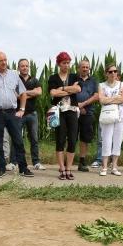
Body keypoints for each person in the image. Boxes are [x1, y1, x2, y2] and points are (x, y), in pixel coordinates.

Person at [48, 51, 81, 180]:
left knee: (72, 140)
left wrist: (61, 89)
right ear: (58, 64)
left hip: (72, 110)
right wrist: (68, 89)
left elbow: (78, 89)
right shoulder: (53, 78)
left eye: (68, 63)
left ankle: (69, 168)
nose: (66, 65)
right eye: (64, 63)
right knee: (60, 139)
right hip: (59, 111)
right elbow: (53, 93)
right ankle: (62, 168)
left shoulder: (74, 76)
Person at [96, 65, 123, 176]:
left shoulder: (122, 84)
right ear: (106, 73)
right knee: (106, 140)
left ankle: (114, 166)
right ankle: (104, 167)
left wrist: (108, 99)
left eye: (115, 71)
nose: (113, 73)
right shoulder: (101, 85)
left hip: (121, 116)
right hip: (107, 116)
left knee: (118, 140)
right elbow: (101, 100)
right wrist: (116, 99)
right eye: (110, 71)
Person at [17, 59, 45, 170]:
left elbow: (39, 92)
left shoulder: (34, 80)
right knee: (17, 138)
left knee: (34, 139)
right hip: (18, 113)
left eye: (26, 66)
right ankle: (14, 162)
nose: (25, 68)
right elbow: (15, 95)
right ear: (18, 67)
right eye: (22, 66)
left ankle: (36, 162)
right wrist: (31, 93)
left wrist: (23, 94)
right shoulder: (15, 80)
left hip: (32, 113)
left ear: (29, 67)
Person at [74, 59, 100, 172]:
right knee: (71, 137)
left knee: (84, 138)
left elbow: (96, 96)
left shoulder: (93, 81)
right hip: (73, 111)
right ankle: (68, 162)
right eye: (83, 67)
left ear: (89, 68)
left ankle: (82, 162)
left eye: (87, 67)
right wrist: (76, 106)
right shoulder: (73, 79)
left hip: (88, 112)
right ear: (78, 68)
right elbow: (69, 93)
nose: (85, 69)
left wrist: (83, 105)